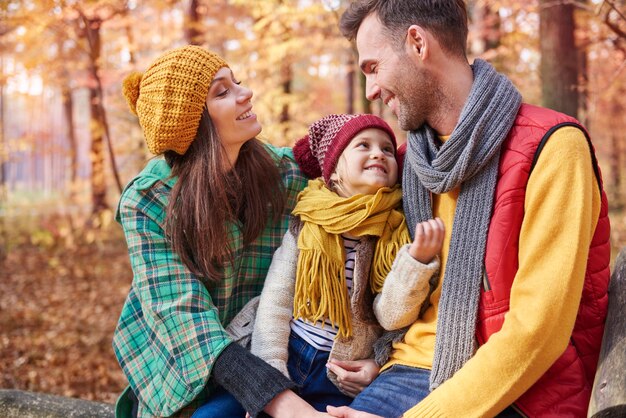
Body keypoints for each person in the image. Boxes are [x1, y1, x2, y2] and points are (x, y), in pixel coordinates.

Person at [327, 1, 612, 418]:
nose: (370, 90)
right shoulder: (410, 164)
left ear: (417, 43)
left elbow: (538, 333)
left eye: (373, 67)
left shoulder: (553, 148)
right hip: (404, 371)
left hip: (516, 390)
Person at [114, 45, 326, 418]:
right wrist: (282, 403)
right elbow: (184, 320)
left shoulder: (283, 175)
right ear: (192, 122)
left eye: (238, 82)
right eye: (223, 91)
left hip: (265, 349)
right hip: (179, 363)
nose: (246, 93)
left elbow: (354, 164)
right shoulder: (148, 202)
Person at [245, 114, 444, 412]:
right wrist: (271, 378)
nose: (378, 153)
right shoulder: (308, 222)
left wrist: (415, 263)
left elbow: (389, 318)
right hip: (286, 352)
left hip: (340, 374)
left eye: (388, 149)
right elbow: (276, 301)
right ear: (335, 171)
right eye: (363, 145)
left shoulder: (394, 232)